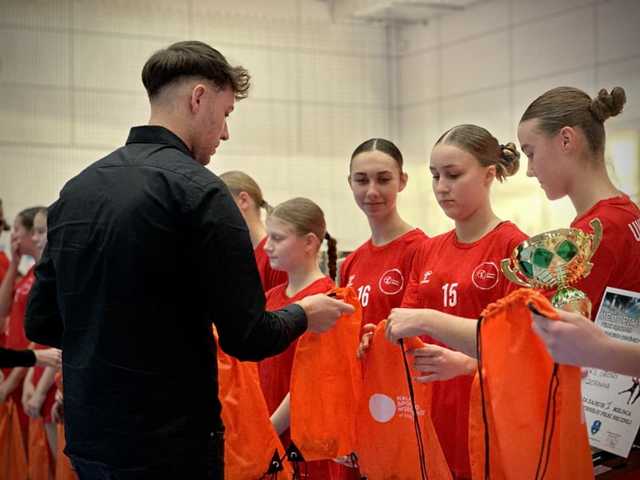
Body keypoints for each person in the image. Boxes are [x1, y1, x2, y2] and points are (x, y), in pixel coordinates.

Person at [24, 40, 353, 480]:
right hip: (171, 445)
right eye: (226, 114)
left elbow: (42, 323)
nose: (225, 133)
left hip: (91, 438)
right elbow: (249, 337)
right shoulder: (199, 193)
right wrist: (303, 314)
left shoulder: (76, 191)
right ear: (199, 98)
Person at [398, 124, 527, 479]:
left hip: (486, 417)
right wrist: (376, 338)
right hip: (429, 412)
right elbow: (405, 323)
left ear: (489, 175)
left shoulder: (514, 249)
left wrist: (471, 365)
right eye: (435, 175)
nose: (441, 187)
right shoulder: (427, 250)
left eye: (453, 175)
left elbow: (524, 349)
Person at [518, 86, 640, 317]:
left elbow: (552, 331)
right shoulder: (627, 212)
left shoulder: (597, 231)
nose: (529, 171)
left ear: (566, 140)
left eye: (531, 153)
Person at [258, 197, 342, 478]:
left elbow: (314, 381)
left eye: (278, 238)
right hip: (268, 429)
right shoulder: (271, 297)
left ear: (309, 242)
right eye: (268, 236)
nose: (267, 246)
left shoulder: (328, 300)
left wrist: (268, 429)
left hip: (301, 440)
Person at [0, 206, 47, 429]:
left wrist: (16, 379)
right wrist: (14, 265)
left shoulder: (46, 277)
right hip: (20, 369)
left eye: (17, 229)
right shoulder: (28, 273)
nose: (13, 235)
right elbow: (2, 310)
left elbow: (40, 337)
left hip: (31, 371)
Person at [220, 170, 287, 291]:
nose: (215, 213)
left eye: (220, 204)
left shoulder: (274, 254)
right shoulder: (240, 255)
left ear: (243, 200)